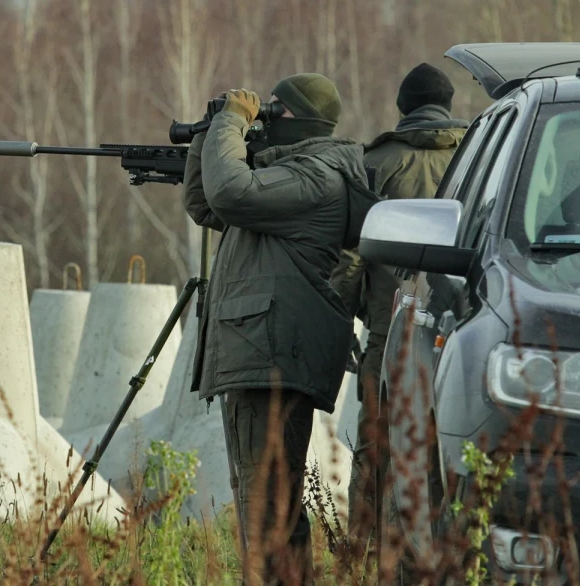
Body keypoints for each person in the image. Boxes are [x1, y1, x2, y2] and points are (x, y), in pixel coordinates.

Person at [183, 73, 378, 585]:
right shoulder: (290, 177)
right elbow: (205, 203)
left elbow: (229, 191)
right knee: (266, 499)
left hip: (270, 353)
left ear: (302, 119)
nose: (266, 117)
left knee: (267, 503)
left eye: (276, 109)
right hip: (262, 348)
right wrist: (211, 130)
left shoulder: (314, 176)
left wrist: (232, 123)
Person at [330, 62, 469, 556]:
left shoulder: (376, 163)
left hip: (390, 330)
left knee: (377, 444)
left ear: (402, 108)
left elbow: (352, 254)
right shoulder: (480, 155)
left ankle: (366, 552)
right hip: (464, 331)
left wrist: (347, 315)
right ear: (448, 105)